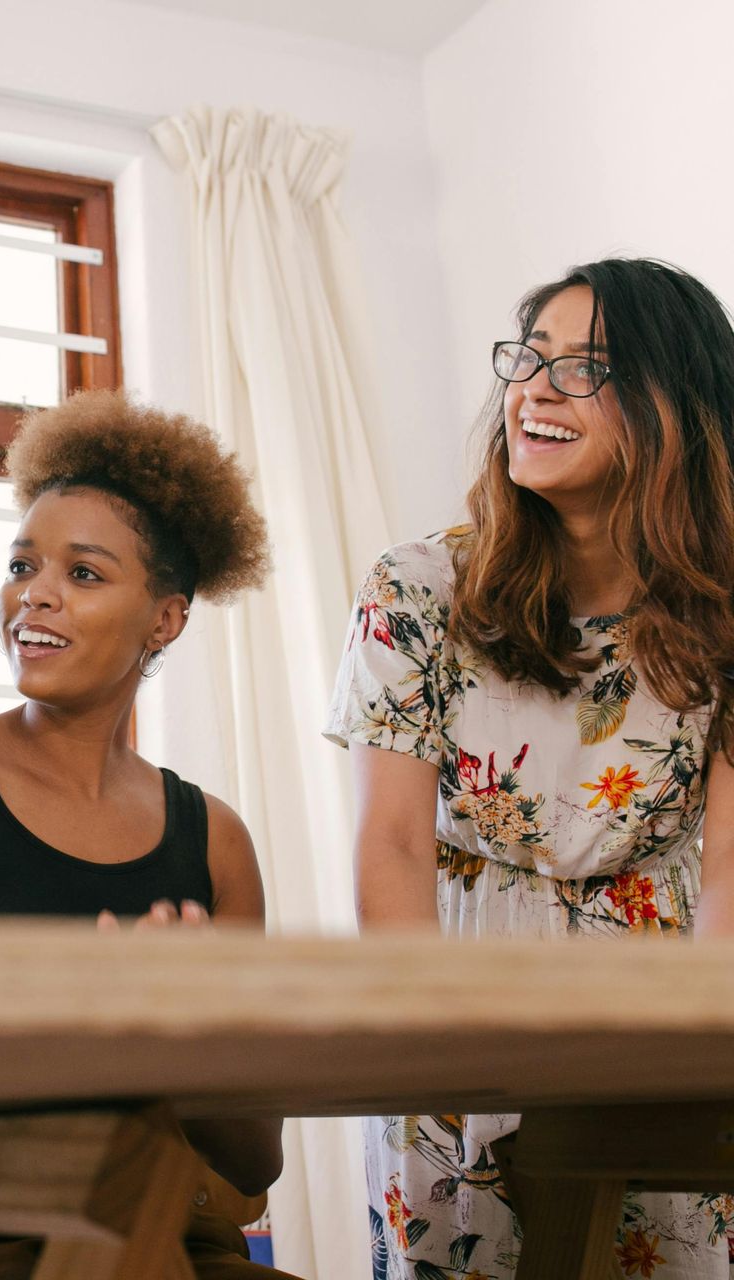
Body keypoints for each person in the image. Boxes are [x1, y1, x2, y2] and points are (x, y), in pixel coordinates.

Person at [327, 259, 734, 1280]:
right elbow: (390, 840)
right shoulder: (416, 587)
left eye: (587, 368)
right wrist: (433, 1036)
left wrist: (701, 1051)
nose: (534, 390)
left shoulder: (725, 614)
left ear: (676, 407)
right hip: (449, 994)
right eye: (529, 358)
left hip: (654, 1010)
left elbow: (730, 867)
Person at [0, 390, 292, 1280]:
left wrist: (193, 1036)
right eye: (21, 565)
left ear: (165, 618)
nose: (33, 595)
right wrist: (89, 1027)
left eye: (82, 574)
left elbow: (253, 1158)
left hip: (184, 1252)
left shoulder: (216, 841)